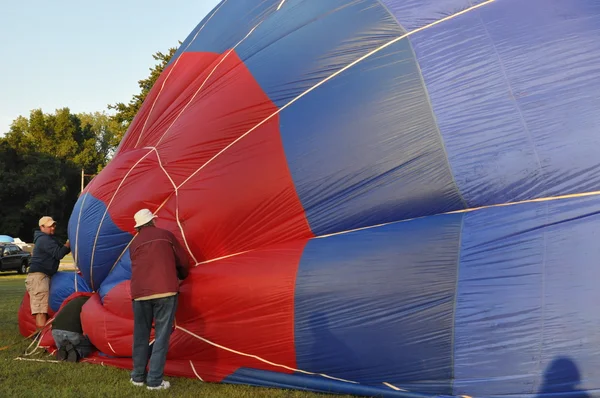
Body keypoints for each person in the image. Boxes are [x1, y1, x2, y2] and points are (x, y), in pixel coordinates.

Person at [129, 209, 191, 390]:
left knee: (140, 336)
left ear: (138, 227)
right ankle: (155, 381)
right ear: (152, 221)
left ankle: (138, 377)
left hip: (139, 294)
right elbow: (183, 262)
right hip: (165, 291)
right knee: (161, 336)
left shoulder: (133, 243)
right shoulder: (166, 235)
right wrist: (181, 275)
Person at [25, 216, 71, 330]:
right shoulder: (43, 239)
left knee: (43, 307)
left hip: (44, 276)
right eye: (50, 226)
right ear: (42, 227)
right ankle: (42, 341)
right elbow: (59, 253)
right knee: (41, 309)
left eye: (54, 225)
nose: (53, 228)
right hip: (39, 277)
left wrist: (68, 245)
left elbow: (63, 249)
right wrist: (67, 245)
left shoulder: (50, 239)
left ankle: (44, 336)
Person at [52, 295, 94, 362]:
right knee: (86, 347)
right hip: (72, 333)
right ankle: (77, 352)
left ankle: (63, 348)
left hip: (55, 332)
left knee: (68, 341)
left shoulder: (73, 301)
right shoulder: (92, 303)